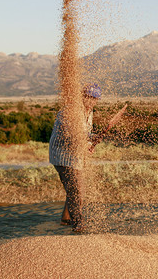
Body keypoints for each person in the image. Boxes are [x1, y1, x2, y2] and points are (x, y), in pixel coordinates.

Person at [49, 83, 102, 232]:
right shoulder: (71, 110)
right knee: (74, 189)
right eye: (88, 97)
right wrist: (88, 141)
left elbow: (85, 134)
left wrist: (91, 142)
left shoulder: (89, 112)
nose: (91, 101)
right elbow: (73, 134)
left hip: (75, 153)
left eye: (94, 99)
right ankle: (78, 224)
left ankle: (66, 219)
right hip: (61, 154)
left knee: (79, 188)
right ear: (82, 96)